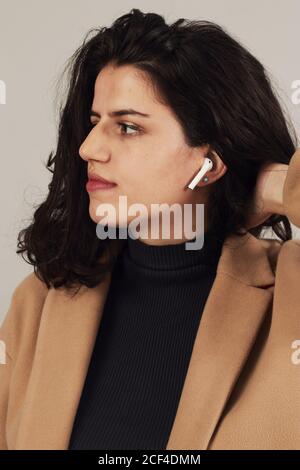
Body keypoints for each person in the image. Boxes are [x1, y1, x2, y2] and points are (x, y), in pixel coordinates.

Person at [0, 9, 300, 450]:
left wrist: (276, 185)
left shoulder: (290, 297)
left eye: (127, 127)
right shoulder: (42, 300)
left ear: (209, 162)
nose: (89, 148)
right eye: (93, 122)